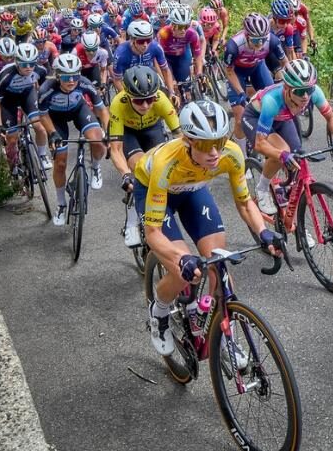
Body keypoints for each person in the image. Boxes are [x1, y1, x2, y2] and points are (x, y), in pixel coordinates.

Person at [139, 101, 284, 356]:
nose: (215, 152)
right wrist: (180, 258)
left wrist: (263, 232)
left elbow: (244, 202)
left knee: (218, 265)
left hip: (193, 189)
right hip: (154, 189)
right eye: (206, 145)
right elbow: (152, 234)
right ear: (187, 141)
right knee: (183, 272)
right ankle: (159, 311)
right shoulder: (166, 162)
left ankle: (225, 334)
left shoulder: (230, 154)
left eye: (219, 142)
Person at [246, 59, 333, 229]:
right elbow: (260, 144)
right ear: (286, 88)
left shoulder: (314, 93)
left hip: (282, 119)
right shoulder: (272, 101)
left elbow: (331, 117)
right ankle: (262, 187)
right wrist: (281, 155)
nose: (306, 96)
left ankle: (293, 217)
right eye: (300, 91)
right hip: (256, 118)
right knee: (283, 152)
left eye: (309, 90)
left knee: (298, 155)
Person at [29, 52, 109, 226]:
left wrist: (108, 130)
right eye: (66, 76)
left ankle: (95, 168)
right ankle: (61, 204)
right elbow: (42, 115)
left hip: (79, 111)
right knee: (60, 162)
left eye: (74, 75)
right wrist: (52, 133)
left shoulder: (85, 84)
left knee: (98, 142)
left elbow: (102, 110)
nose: (71, 80)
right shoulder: (46, 89)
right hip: (55, 119)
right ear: (57, 76)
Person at [108, 65, 180, 248]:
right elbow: (115, 149)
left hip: (152, 129)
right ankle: (131, 222)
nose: (146, 105)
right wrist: (125, 174)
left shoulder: (161, 99)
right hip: (129, 133)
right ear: (128, 96)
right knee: (140, 168)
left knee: (160, 165)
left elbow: (181, 137)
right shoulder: (118, 103)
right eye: (139, 101)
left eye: (149, 99)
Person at [221, 13, 287, 137]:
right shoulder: (233, 46)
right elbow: (229, 71)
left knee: (274, 102)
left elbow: (286, 63)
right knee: (240, 120)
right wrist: (241, 92)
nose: (260, 43)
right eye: (256, 40)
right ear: (246, 35)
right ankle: (242, 155)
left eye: (263, 39)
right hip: (237, 72)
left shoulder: (272, 40)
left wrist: (289, 81)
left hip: (257, 67)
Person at [0, 41, 45, 164]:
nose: (28, 67)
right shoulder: (6, 75)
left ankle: (42, 156)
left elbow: (44, 91)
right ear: (16, 62)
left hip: (27, 95)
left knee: (40, 128)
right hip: (8, 100)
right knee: (12, 138)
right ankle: (13, 165)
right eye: (24, 64)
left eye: (32, 63)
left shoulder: (40, 71)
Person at [114, 17, 175, 98]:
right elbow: (117, 80)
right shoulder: (121, 54)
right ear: (132, 40)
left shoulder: (156, 47)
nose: (145, 45)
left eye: (148, 40)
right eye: (141, 41)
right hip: (129, 80)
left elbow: (165, 70)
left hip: (150, 77)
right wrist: (127, 97)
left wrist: (171, 91)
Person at [157, 3, 206, 101]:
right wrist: (166, 80)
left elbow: (198, 55)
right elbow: (157, 58)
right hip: (166, 58)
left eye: (186, 26)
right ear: (172, 25)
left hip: (182, 56)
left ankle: (188, 98)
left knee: (186, 86)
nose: (183, 30)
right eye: (180, 27)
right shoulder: (163, 34)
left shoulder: (192, 33)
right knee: (172, 86)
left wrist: (200, 73)